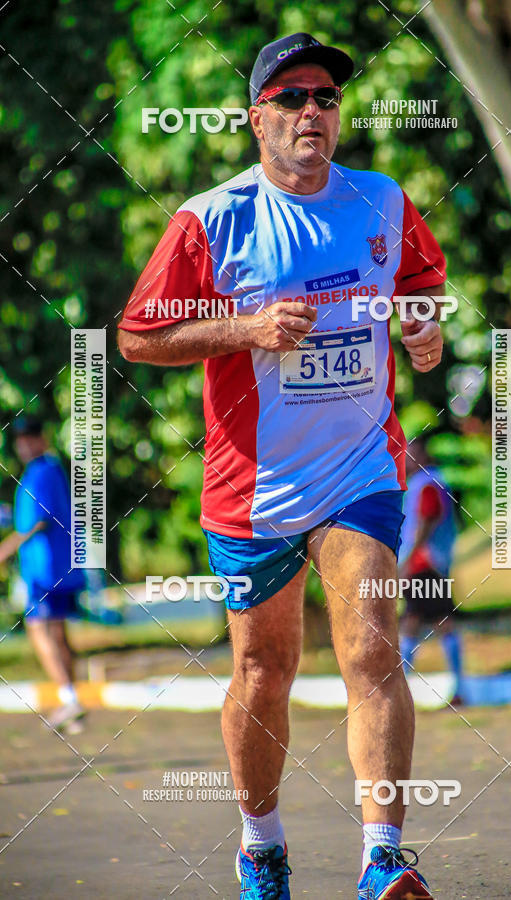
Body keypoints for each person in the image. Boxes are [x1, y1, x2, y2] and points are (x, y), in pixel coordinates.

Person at [118, 32, 447, 900]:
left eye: (326, 97)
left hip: (360, 469)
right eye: (292, 97)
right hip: (253, 487)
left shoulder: (381, 200)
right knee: (264, 673)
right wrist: (247, 328)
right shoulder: (213, 219)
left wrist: (423, 328)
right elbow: (138, 336)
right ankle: (261, 846)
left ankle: (383, 856)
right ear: (255, 117)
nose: (312, 111)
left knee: (372, 650)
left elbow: (421, 286)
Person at [0, 416, 86, 732]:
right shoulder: (46, 470)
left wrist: (4, 550)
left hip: (47, 570)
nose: (24, 444)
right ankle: (72, 703)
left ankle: (69, 698)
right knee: (57, 633)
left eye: (30, 437)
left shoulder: (41, 472)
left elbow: (37, 521)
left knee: (40, 630)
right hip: (58, 567)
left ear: (42, 438)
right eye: (20, 439)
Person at [398, 439, 463, 705]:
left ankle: (401, 690)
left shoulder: (426, 484)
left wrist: (408, 559)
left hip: (424, 565)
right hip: (431, 564)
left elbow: (426, 520)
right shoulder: (432, 482)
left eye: (410, 454)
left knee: (422, 621)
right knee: (423, 620)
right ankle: (457, 688)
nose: (405, 461)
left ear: (423, 455)